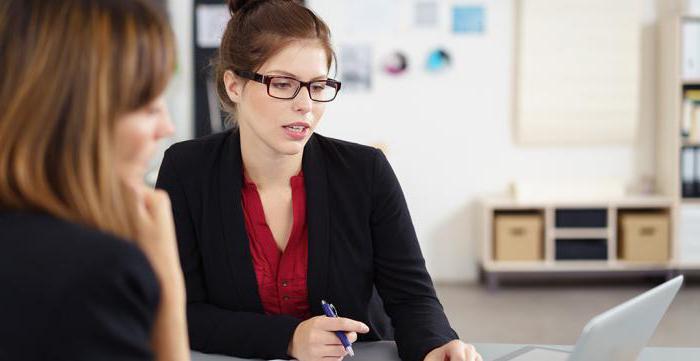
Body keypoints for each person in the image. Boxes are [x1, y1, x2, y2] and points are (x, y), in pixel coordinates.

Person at [156, 1, 482, 360]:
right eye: (283, 84)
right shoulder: (187, 170)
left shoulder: (365, 171)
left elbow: (412, 297)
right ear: (234, 85)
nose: (305, 105)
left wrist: (436, 346)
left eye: (318, 85)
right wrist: (289, 338)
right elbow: (177, 311)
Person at [0, 0, 189, 360]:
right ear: (76, 115)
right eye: (148, 106)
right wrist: (167, 285)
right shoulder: (98, 272)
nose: (167, 127)